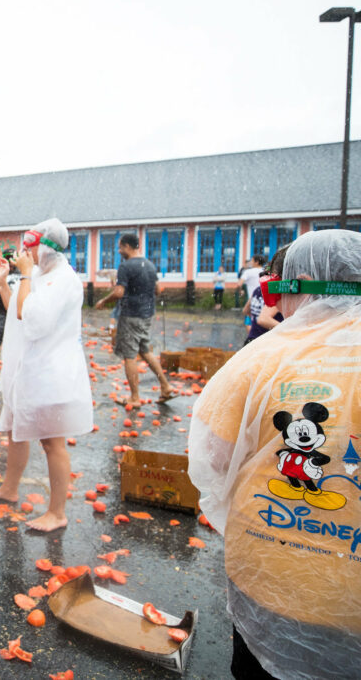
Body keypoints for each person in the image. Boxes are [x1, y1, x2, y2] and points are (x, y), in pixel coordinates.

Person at [187, 229, 361, 680]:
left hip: (273, 577)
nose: (275, 306)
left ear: (300, 281)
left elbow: (213, 460)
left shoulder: (261, 358)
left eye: (275, 289)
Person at [0, 219, 93, 532]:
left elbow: (34, 319)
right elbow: (16, 308)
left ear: (46, 248)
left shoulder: (63, 279)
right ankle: (9, 488)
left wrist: (24, 274)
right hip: (26, 370)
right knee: (16, 431)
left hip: (49, 372)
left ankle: (57, 512)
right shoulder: (41, 274)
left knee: (52, 443)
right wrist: (4, 282)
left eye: (30, 247)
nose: (25, 253)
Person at [94, 233, 175, 405]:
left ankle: (135, 397)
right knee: (145, 351)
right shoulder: (150, 265)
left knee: (129, 355)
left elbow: (119, 293)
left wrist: (104, 301)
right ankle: (166, 386)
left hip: (131, 315)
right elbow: (158, 290)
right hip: (147, 314)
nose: (119, 250)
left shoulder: (126, 266)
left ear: (127, 246)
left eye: (120, 247)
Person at [243, 247, 287, 346]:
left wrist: (254, 317)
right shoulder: (276, 294)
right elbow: (263, 319)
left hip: (251, 339)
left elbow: (245, 310)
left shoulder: (257, 290)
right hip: (264, 342)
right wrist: (287, 330)